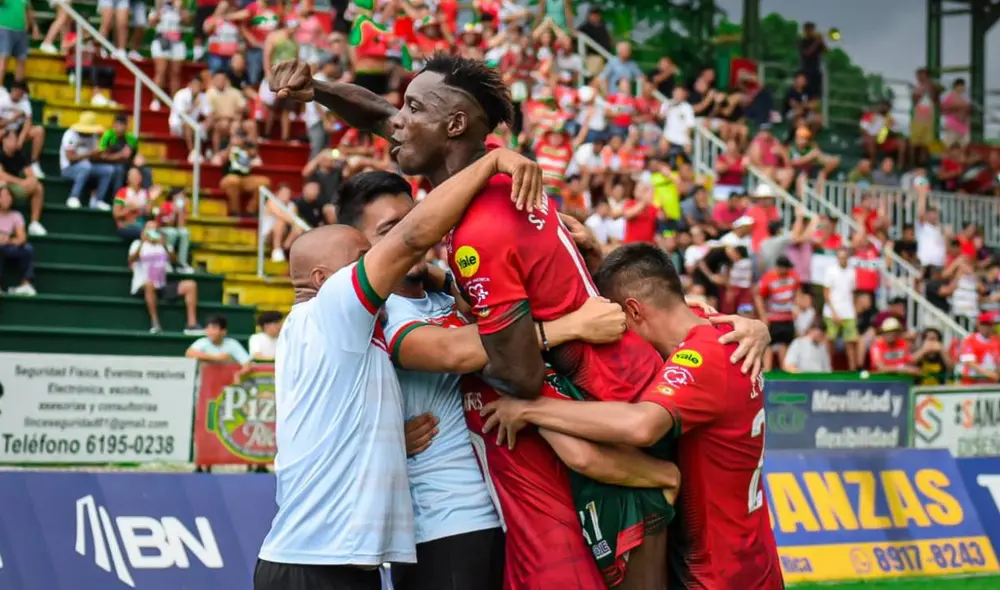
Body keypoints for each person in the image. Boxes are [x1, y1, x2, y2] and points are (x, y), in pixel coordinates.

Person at [269, 54, 769, 589]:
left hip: (597, 404)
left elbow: (520, 374)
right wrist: (317, 89)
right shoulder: (486, 173)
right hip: (611, 391)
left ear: (455, 126)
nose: (398, 122)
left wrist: (535, 365)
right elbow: (377, 117)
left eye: (414, 108)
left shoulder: (481, 230)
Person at [337, 170, 687, 590]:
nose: (411, 236)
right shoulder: (385, 319)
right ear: (361, 246)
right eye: (391, 231)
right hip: (442, 527)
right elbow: (458, 351)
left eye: (414, 221)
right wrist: (571, 326)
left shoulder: (442, 295)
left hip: (502, 518)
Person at [254, 147, 546, 590]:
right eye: (365, 255)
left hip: (347, 562)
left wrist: (388, 440)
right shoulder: (332, 311)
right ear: (321, 279)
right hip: (315, 563)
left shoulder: (345, 330)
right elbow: (412, 248)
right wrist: (489, 162)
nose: (379, 263)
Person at [480, 243, 783, 589]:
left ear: (634, 311)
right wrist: (594, 249)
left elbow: (641, 426)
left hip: (718, 571)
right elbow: (642, 280)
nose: (619, 340)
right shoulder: (726, 333)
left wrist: (529, 408)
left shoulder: (702, 357)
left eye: (620, 326)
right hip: (753, 555)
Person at [128, 221, 203, 334]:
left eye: (155, 229)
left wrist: (164, 245)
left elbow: (174, 261)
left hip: (161, 286)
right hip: (142, 285)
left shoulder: (164, 245)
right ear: (143, 231)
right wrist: (142, 243)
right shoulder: (137, 244)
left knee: (191, 285)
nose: (152, 232)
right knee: (149, 284)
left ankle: (191, 325)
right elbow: (131, 259)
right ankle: (155, 323)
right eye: (149, 229)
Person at [60, 112, 117, 210]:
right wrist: (90, 154)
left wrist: (104, 148)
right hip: (68, 168)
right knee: (85, 166)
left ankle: (98, 200)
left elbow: (94, 158)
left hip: (88, 167)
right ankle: (73, 197)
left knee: (108, 170)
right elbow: (71, 158)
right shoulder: (70, 134)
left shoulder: (93, 136)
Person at [0, 128, 45, 235]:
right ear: (4, 141)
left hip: (15, 187)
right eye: (11, 138)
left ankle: (34, 223)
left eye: (15, 138)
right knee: (3, 186)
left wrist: (30, 181)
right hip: (4, 187)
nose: (15, 141)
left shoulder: (19, 155)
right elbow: (1, 175)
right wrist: (21, 182)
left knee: (38, 187)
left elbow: (30, 174)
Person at [0, 184, 36, 295]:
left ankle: (26, 284)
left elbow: (22, 238)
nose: (6, 199)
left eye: (8, 196)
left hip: (8, 246)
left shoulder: (16, 215)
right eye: (2, 196)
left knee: (27, 249)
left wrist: (8, 240)